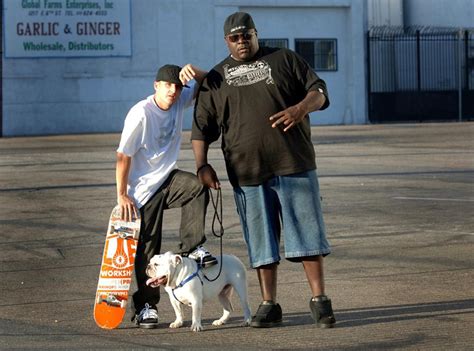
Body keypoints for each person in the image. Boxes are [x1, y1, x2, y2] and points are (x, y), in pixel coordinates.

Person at [191, 12, 336, 328]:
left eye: (247, 35)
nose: (242, 41)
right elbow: (202, 128)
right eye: (235, 37)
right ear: (226, 40)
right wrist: (201, 165)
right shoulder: (215, 79)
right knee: (261, 241)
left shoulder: (284, 59)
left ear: (256, 34)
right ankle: (269, 305)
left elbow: (320, 91)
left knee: (308, 235)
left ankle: (320, 301)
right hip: (248, 173)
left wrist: (300, 109)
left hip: (294, 165)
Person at [116, 63, 217, 329]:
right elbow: (123, 156)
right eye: (167, 86)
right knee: (148, 251)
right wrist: (122, 195)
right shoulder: (141, 114)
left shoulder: (179, 97)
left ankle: (192, 248)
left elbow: (210, 81)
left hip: (168, 181)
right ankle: (146, 306)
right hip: (142, 192)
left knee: (197, 185)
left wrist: (193, 71)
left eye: (177, 86)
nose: (173, 91)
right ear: (156, 86)